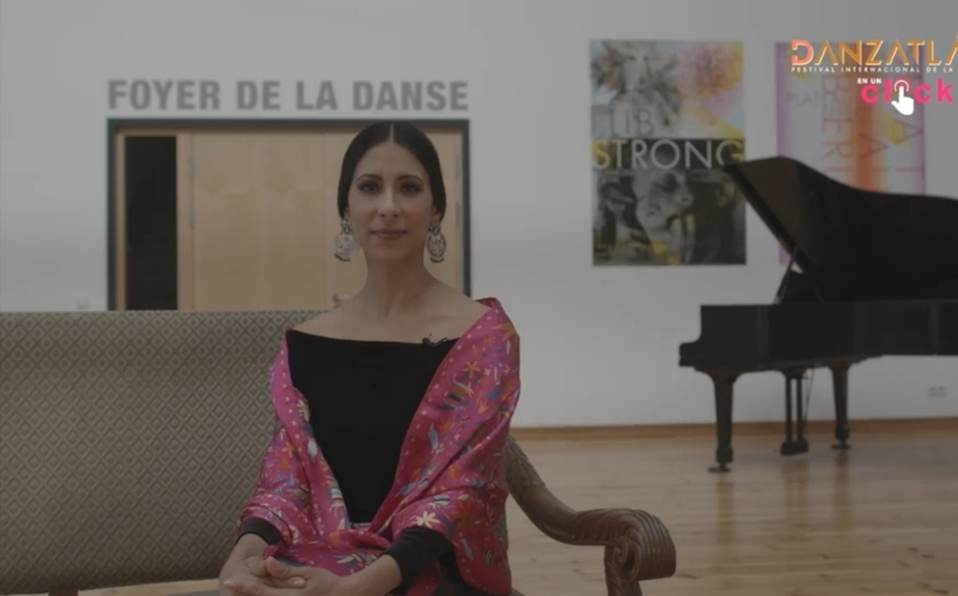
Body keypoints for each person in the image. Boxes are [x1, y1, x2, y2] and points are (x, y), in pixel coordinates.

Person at [217, 121, 521, 596]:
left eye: (409, 188)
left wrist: (363, 585)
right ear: (346, 207)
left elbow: (461, 492)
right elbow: (285, 481)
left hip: (436, 573)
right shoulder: (306, 344)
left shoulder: (483, 339)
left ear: (436, 208)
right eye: (370, 187)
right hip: (320, 565)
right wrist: (245, 551)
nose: (388, 206)